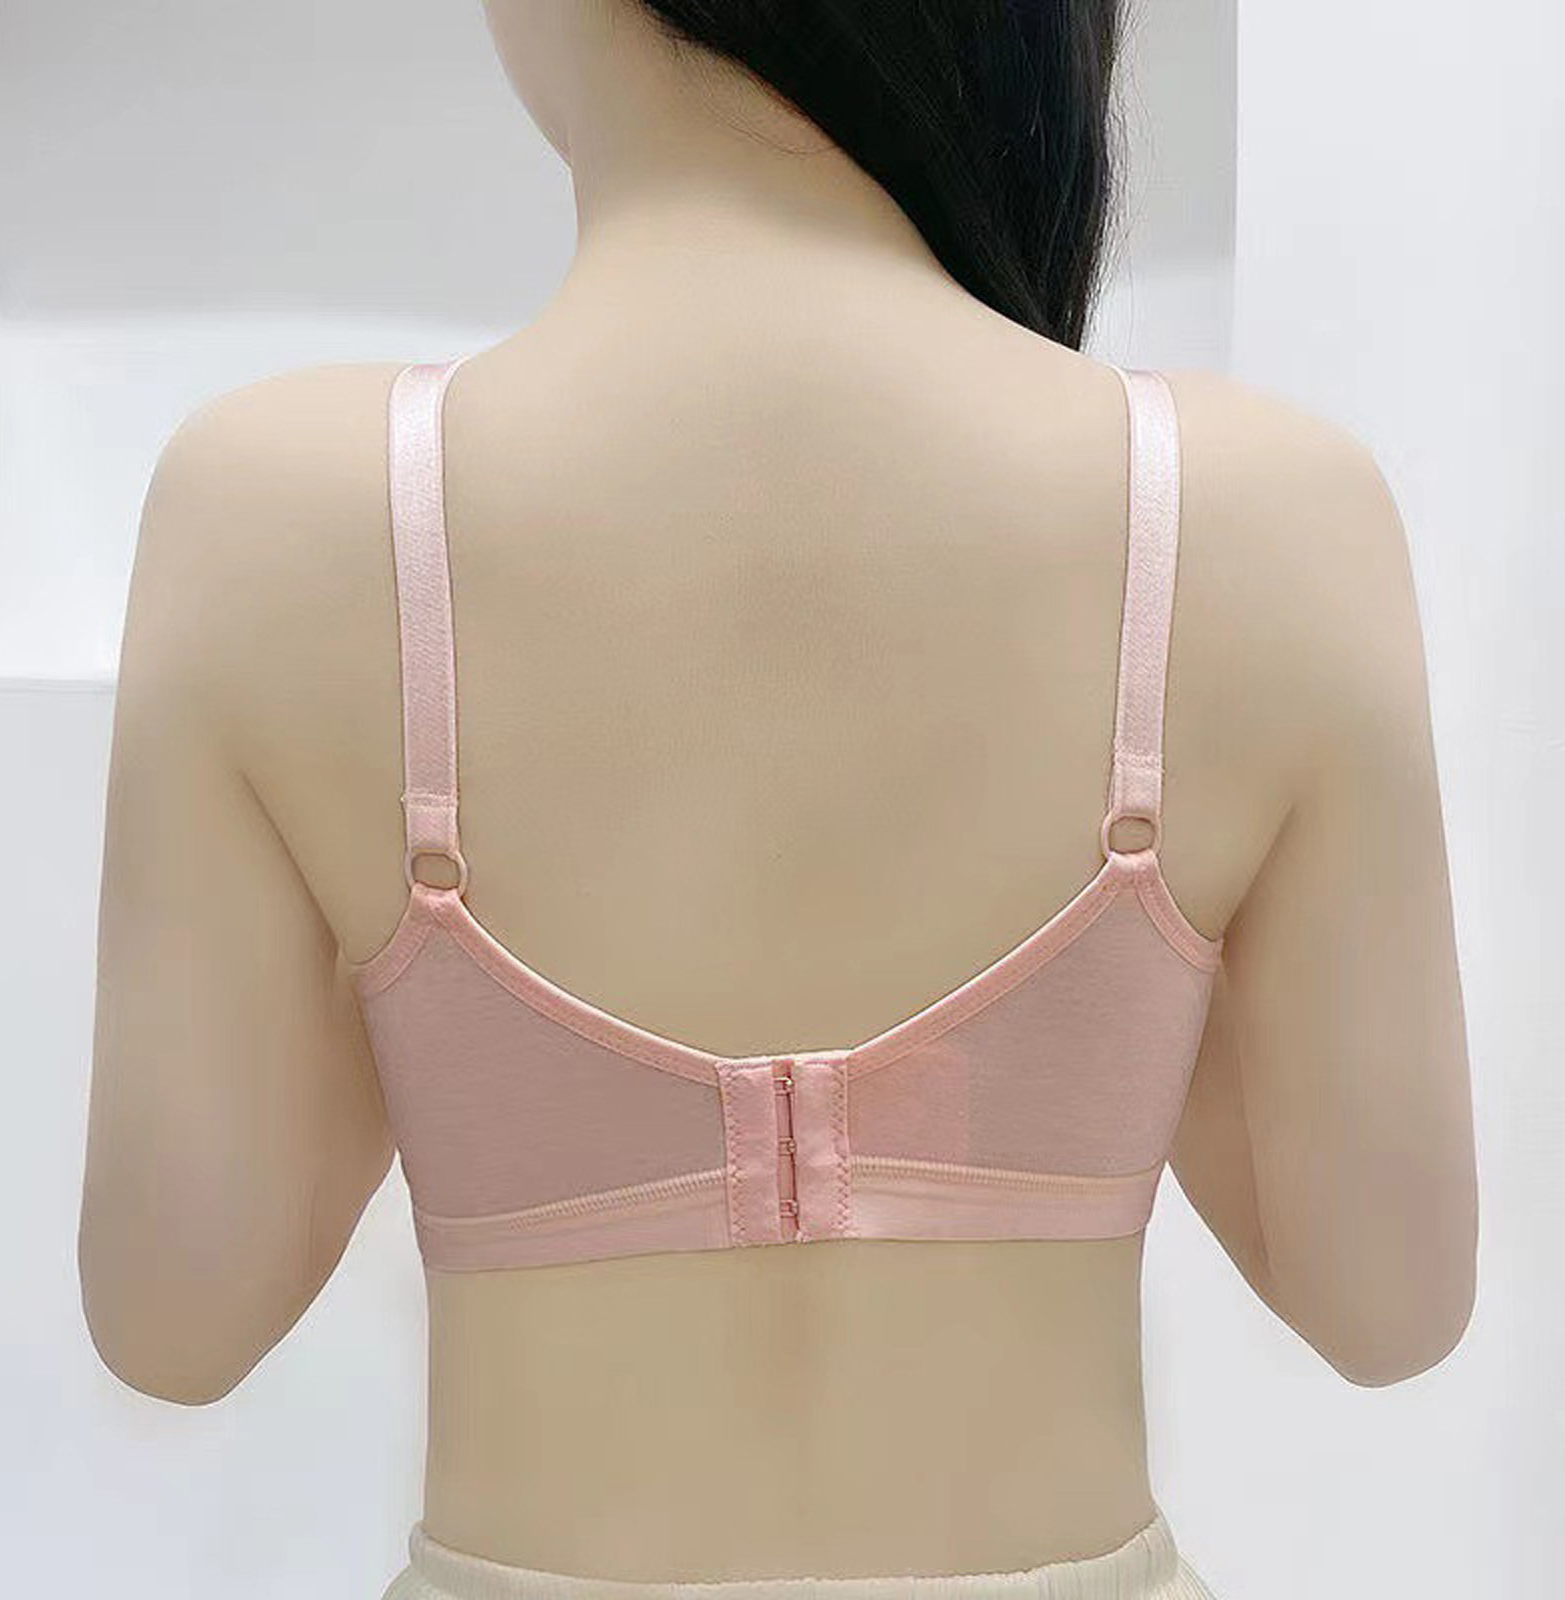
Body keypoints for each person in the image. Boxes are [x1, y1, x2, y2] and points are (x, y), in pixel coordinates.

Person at [79, 3, 1479, 1596]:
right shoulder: (1267, 515)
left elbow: (173, 1323)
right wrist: (1107, 1043)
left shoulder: (276, 514)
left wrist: (429, 1030)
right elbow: (1390, 1307)